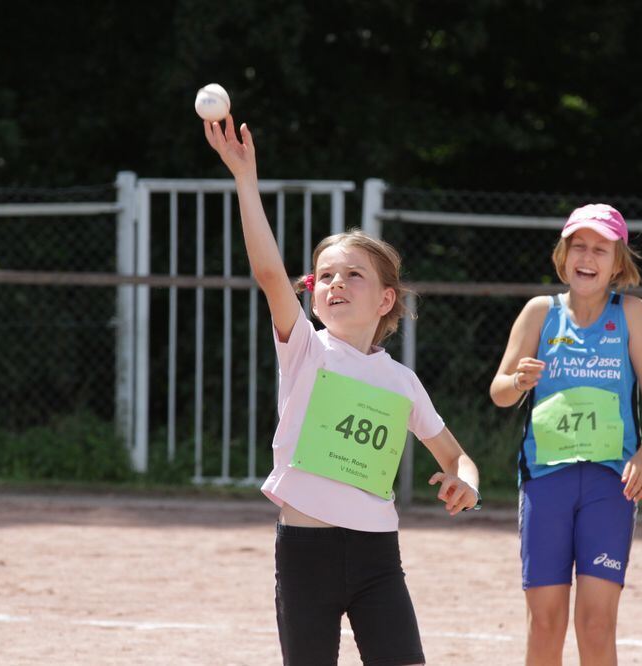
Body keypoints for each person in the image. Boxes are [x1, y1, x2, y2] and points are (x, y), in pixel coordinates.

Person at [204, 114, 481, 666]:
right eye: (325, 275)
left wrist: (465, 483)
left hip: (379, 555)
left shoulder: (401, 380)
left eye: (353, 275)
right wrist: (245, 180)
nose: (335, 283)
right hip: (305, 553)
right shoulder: (305, 348)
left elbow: (457, 456)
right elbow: (266, 271)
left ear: (385, 300)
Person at [490, 204, 642, 666]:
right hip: (546, 479)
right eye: (579, 246)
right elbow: (499, 392)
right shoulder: (539, 313)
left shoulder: (633, 313)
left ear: (618, 262)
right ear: (564, 254)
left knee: (595, 624)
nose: (587, 257)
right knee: (546, 623)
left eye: (600, 249)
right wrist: (518, 382)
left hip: (611, 483)